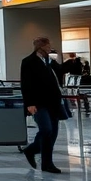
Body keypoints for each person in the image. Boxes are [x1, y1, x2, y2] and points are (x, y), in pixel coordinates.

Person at [20, 37, 65, 174]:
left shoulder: (49, 61)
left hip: (54, 102)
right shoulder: (28, 62)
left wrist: (57, 62)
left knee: (53, 133)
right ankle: (32, 150)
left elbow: (61, 71)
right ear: (41, 47)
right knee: (46, 129)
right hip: (38, 103)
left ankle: (46, 163)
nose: (50, 48)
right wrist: (29, 103)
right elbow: (26, 84)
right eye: (48, 45)